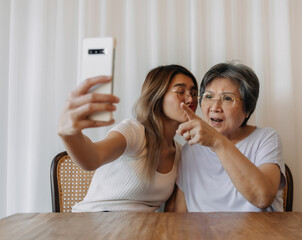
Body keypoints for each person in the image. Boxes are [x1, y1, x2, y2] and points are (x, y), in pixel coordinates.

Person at [57, 64, 198, 212]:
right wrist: (68, 133)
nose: (190, 99)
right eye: (181, 91)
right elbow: (93, 158)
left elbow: (173, 213)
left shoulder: (181, 153)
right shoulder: (134, 132)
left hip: (140, 230)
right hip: (95, 222)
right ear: (157, 95)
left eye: (194, 93)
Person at [175, 62, 286, 212]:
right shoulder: (190, 150)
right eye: (208, 96)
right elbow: (180, 215)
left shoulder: (265, 139)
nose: (215, 107)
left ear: (248, 109)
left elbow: (262, 197)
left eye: (227, 98)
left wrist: (216, 141)